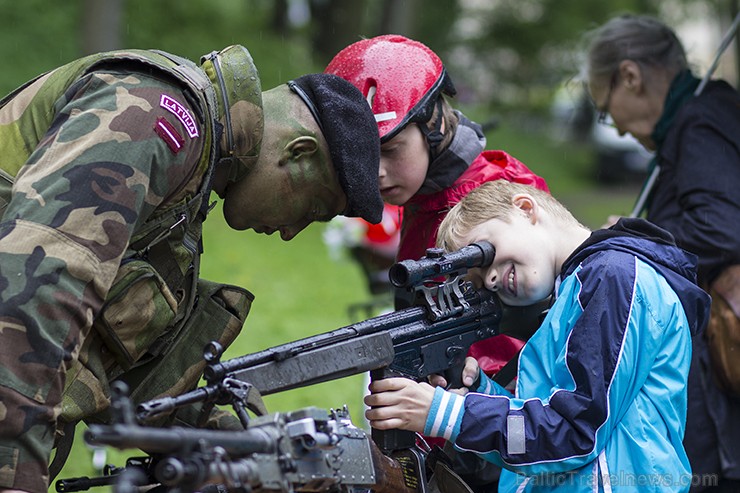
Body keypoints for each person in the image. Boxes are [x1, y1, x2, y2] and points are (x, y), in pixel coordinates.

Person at [0, 44, 383, 493]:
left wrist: (252, 444)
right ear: (298, 153)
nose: (291, 233)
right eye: (312, 209)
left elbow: (128, 361)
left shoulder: (196, 171)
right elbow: (32, 293)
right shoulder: (152, 112)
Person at [365, 180, 711, 493]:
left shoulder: (613, 277)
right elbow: (539, 439)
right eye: (481, 278)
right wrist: (478, 393)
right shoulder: (573, 292)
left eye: (482, 254)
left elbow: (574, 434)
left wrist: (445, 413)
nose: (491, 281)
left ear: (526, 208)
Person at [325, 34, 548, 379]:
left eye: (390, 149)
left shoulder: (495, 204)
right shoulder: (426, 192)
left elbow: (520, 350)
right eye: (360, 155)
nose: (376, 172)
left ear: (434, 125)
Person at [583, 14, 740, 491]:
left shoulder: (698, 121)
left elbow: (723, 228)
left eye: (606, 110)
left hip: (719, 383)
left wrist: (634, 236)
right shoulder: (702, 117)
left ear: (630, 76)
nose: (621, 130)